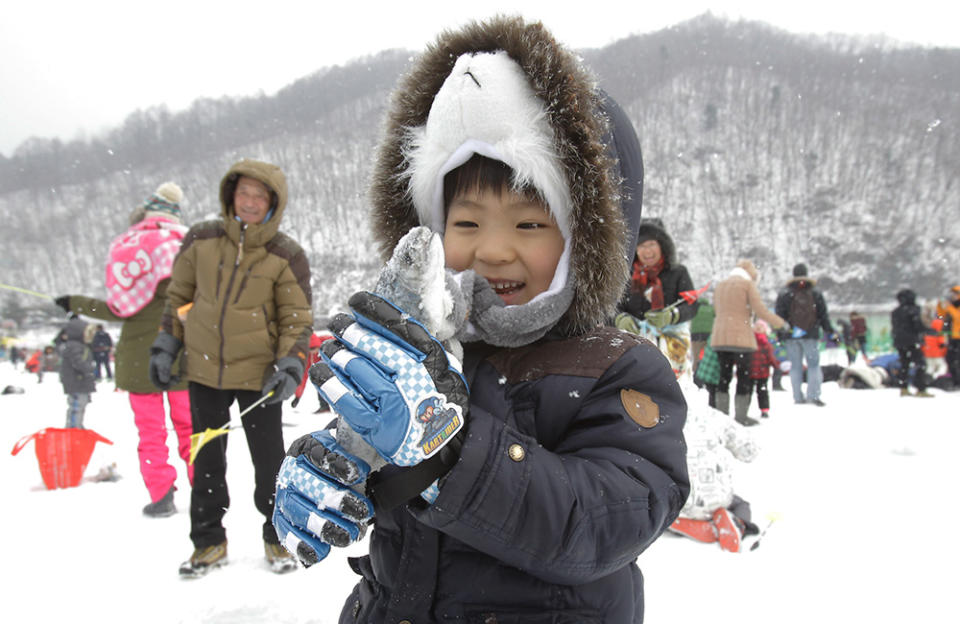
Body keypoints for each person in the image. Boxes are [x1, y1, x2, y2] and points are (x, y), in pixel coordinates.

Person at [272, 16, 689, 622]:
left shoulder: (618, 369)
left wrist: (449, 451)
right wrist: (338, 471)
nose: (493, 249)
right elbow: (387, 477)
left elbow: (597, 523)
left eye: (528, 224)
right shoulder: (429, 355)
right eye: (466, 224)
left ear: (587, 240)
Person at [149, 160, 313, 577]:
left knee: (270, 463)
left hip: (260, 377)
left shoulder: (286, 254)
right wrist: (166, 346)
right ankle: (207, 542)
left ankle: (278, 537)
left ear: (274, 203)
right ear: (231, 195)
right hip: (204, 372)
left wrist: (290, 366)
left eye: (261, 196)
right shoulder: (201, 238)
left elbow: (296, 318)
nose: (252, 202)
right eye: (245, 194)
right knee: (206, 462)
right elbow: (177, 297)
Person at [55, 182, 194, 518]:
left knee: (151, 433)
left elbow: (115, 309)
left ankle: (161, 495)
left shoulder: (129, 250)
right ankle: (205, 487)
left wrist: (74, 303)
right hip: (182, 354)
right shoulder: (189, 251)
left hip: (137, 359)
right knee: (192, 428)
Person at [668, 400, 760, 552]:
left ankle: (678, 523)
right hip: (719, 499)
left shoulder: (654, 414)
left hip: (676, 500)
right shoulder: (713, 415)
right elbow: (749, 452)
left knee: (659, 511)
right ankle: (739, 522)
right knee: (741, 504)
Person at [616, 217, 700, 378]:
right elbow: (611, 307)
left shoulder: (678, 272)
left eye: (651, 244)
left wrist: (672, 315)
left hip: (672, 347)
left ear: (662, 246)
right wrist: (620, 319)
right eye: (641, 246)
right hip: (633, 347)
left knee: (670, 387)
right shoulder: (626, 276)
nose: (647, 251)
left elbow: (692, 305)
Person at [709, 259, 786, 425]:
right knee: (744, 377)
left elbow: (717, 309)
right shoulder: (747, 284)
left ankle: (722, 415)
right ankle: (741, 416)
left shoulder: (721, 285)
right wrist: (780, 323)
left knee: (724, 376)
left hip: (720, 337)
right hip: (741, 338)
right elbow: (760, 310)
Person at [775, 263, 837, 406]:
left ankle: (797, 397)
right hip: (811, 334)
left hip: (791, 336)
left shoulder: (785, 293)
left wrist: (780, 334)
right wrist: (829, 331)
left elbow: (779, 316)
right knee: (813, 365)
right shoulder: (815, 292)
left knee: (795, 366)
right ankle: (813, 396)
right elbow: (823, 315)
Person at [891, 288, 933, 397]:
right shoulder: (914, 310)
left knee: (904, 364)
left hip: (899, 342)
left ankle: (903, 387)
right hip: (913, 341)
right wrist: (930, 330)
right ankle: (921, 388)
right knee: (920, 364)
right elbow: (918, 326)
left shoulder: (895, 312)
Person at [59, 317, 96, 428]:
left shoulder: (80, 345)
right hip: (77, 382)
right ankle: (74, 427)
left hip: (80, 381)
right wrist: (89, 369)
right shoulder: (74, 346)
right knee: (77, 405)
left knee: (80, 404)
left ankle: (77, 425)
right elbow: (78, 362)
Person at [291, 332, 333, 413]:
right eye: (310, 350)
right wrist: (297, 396)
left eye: (314, 349)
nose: (313, 352)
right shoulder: (309, 357)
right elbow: (303, 376)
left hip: (338, 372)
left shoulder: (328, 341)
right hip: (325, 375)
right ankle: (324, 407)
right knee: (319, 380)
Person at [749, 319, 779, 418]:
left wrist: (776, 365)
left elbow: (770, 357)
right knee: (752, 391)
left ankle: (764, 409)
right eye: (757, 326)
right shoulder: (750, 341)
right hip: (752, 371)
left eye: (761, 327)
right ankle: (745, 409)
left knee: (762, 392)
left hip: (762, 373)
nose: (758, 328)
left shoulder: (766, 344)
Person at [936, 285, 960, 388]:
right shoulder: (950, 306)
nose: (953, 296)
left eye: (955, 294)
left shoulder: (954, 308)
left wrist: (950, 310)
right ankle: (955, 380)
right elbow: (940, 316)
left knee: (957, 360)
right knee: (950, 359)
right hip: (952, 338)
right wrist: (940, 305)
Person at [690, 299, 715, 376]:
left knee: (696, 355)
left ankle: (695, 373)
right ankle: (703, 373)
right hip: (707, 334)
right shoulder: (711, 309)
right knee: (705, 355)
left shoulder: (694, 309)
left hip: (695, 335)